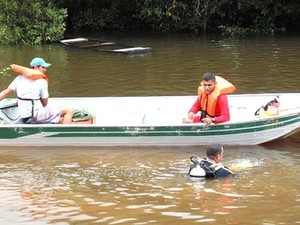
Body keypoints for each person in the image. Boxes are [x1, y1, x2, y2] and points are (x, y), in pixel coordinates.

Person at [0, 57, 73, 124]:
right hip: (35, 116)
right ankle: (66, 134)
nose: (45, 70)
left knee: (59, 115)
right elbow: (45, 103)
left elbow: (6, 93)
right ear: (36, 67)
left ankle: (60, 123)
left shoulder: (19, 78)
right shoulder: (42, 81)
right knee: (68, 111)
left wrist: (21, 102)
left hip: (25, 116)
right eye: (43, 67)